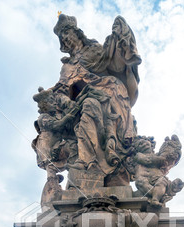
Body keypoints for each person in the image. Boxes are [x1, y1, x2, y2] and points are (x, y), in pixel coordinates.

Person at [52, 14, 141, 182]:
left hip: (111, 90)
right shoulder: (68, 66)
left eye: (67, 33)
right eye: (62, 38)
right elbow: (61, 91)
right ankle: (87, 162)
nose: (65, 39)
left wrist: (119, 41)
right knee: (90, 105)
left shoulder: (94, 50)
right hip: (86, 101)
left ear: (77, 33)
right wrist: (66, 102)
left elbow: (112, 64)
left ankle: (116, 147)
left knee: (109, 91)